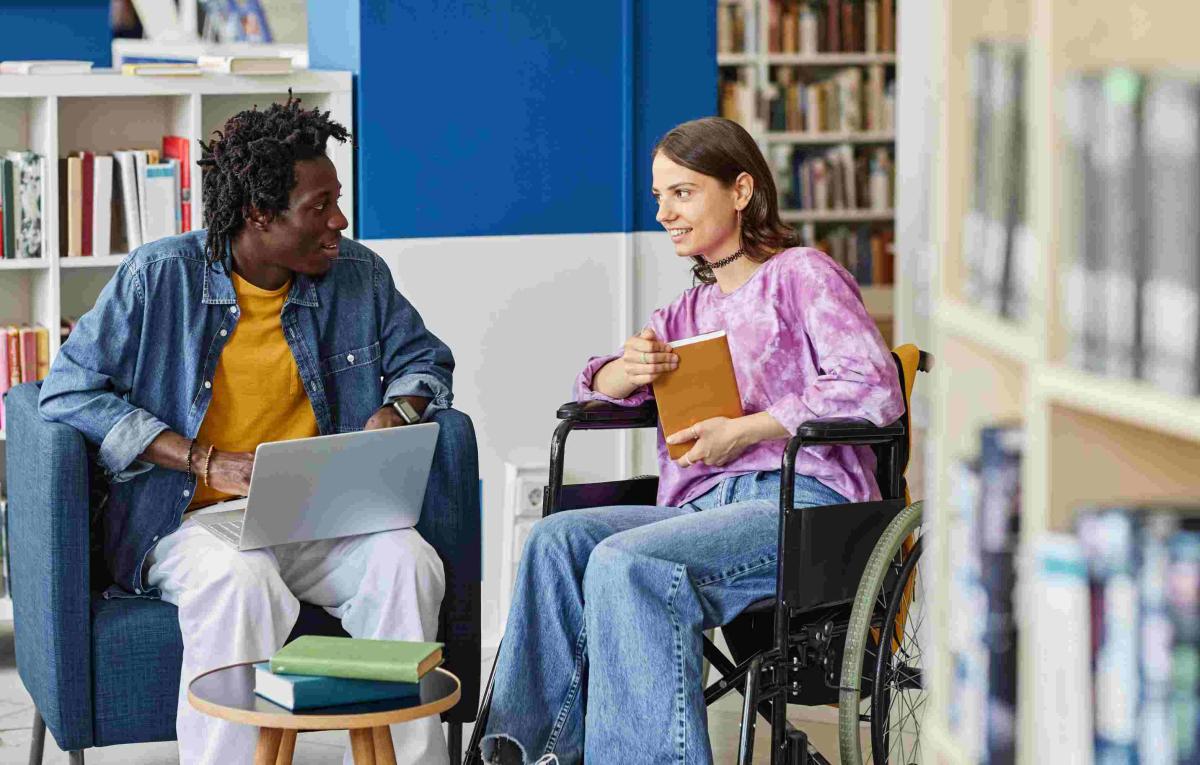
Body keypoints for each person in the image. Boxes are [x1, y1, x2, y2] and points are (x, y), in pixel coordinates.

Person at [38, 97, 455, 765]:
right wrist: (204, 460)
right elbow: (66, 389)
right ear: (260, 214)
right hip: (190, 520)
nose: (339, 221)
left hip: (321, 514)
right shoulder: (159, 277)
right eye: (318, 207)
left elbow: (424, 359)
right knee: (242, 579)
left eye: (337, 200)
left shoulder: (359, 275)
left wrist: (398, 409)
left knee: (409, 562)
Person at [480, 116, 904, 765]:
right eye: (658, 197)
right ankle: (528, 750)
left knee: (631, 563)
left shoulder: (801, 276)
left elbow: (874, 386)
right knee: (555, 540)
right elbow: (595, 386)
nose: (664, 213)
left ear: (740, 190)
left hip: (800, 503)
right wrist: (628, 367)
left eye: (681, 192)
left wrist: (750, 429)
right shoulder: (684, 316)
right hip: (700, 512)